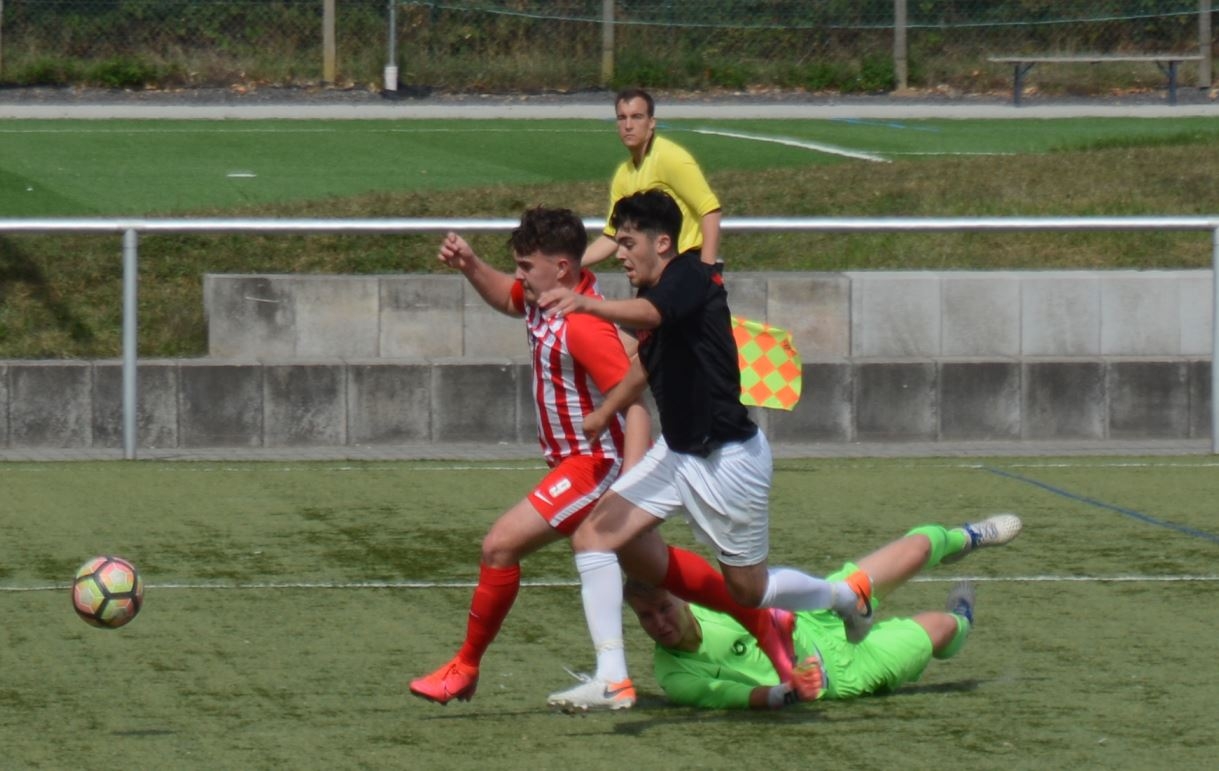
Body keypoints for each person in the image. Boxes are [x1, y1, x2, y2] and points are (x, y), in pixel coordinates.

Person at [538, 190, 873, 712]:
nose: (619, 254)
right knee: (593, 536)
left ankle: (844, 597)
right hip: (678, 454)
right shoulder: (656, 293)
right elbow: (649, 365)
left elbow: (651, 315)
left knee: (748, 591)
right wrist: (607, 413)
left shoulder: (691, 275)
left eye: (627, 243)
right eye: (618, 242)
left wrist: (586, 302)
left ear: (663, 242)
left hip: (729, 462)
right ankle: (612, 677)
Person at [408, 206, 651, 705]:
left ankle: (466, 666)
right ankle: (768, 622)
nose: (519, 276)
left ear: (561, 268)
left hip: (595, 465)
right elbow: (509, 298)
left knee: (499, 545)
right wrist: (471, 264)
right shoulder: (543, 297)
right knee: (666, 581)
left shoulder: (583, 322)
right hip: (576, 464)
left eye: (526, 266)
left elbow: (636, 402)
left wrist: (632, 486)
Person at [626, 514, 1023, 710]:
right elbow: (739, 697)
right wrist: (787, 692)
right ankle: (963, 618)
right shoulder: (674, 675)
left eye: (663, 608)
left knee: (918, 547)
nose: (658, 623)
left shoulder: (707, 597)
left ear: (681, 598)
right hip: (844, 673)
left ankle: (968, 538)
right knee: (940, 628)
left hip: (820, 616)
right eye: (646, 617)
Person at [583, 87, 723, 268]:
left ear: (651, 122)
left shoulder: (670, 157)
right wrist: (572, 264)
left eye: (636, 117)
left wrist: (707, 270)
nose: (628, 125)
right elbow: (612, 235)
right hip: (655, 269)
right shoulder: (623, 174)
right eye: (622, 117)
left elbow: (710, 210)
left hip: (686, 262)